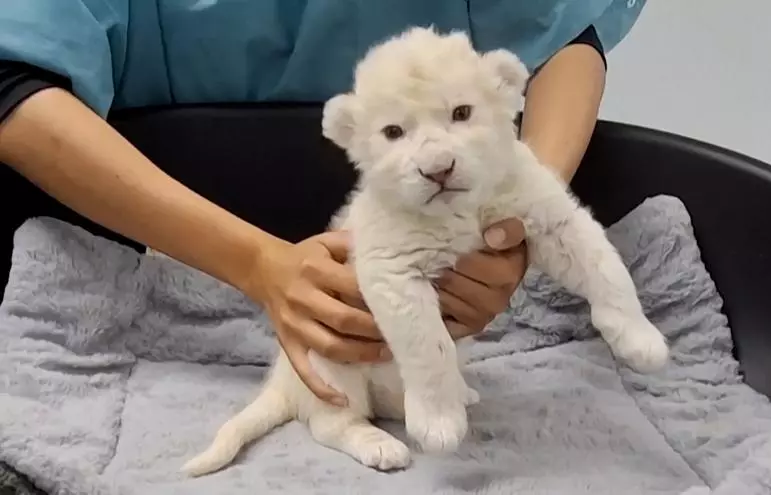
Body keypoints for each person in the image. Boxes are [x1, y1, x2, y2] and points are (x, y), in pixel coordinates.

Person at [0, 0, 644, 406]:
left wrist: (510, 223)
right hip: (151, 251)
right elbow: (15, 82)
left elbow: (561, 31)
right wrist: (257, 263)